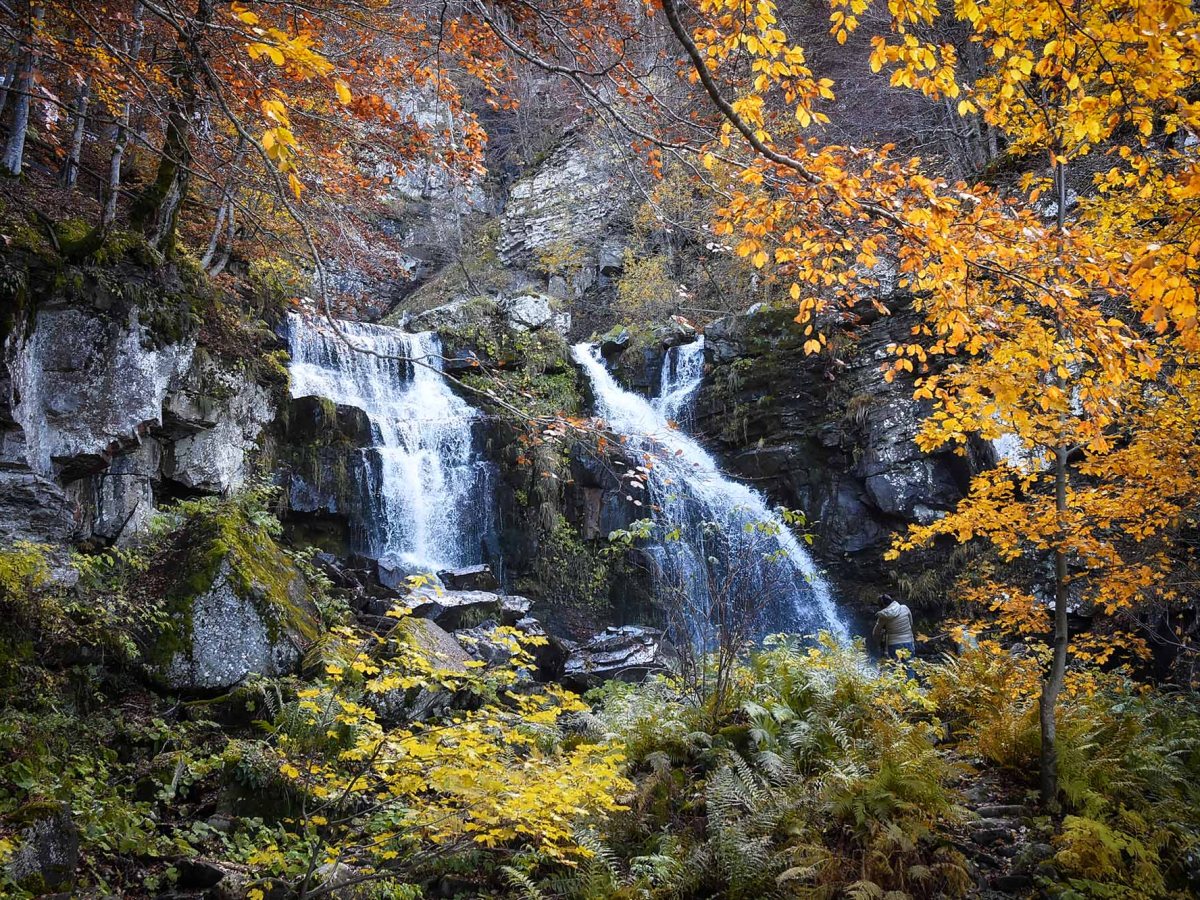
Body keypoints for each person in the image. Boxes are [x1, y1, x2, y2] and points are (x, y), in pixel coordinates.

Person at [873, 593, 916, 676]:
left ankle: (899, 687)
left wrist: (877, 643)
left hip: (894, 645)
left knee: (897, 668)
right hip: (908, 642)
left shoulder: (883, 616)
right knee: (910, 666)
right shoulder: (905, 608)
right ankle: (911, 687)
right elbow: (911, 623)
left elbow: (875, 632)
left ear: (881, 605)